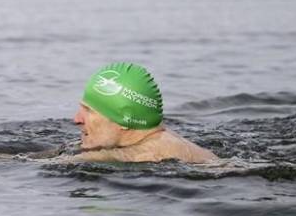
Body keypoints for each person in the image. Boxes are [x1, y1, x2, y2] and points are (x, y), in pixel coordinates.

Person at [66, 61, 217, 164]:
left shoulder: (160, 150)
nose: (77, 119)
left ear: (125, 118)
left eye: (89, 111)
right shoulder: (154, 139)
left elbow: (107, 157)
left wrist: (60, 162)